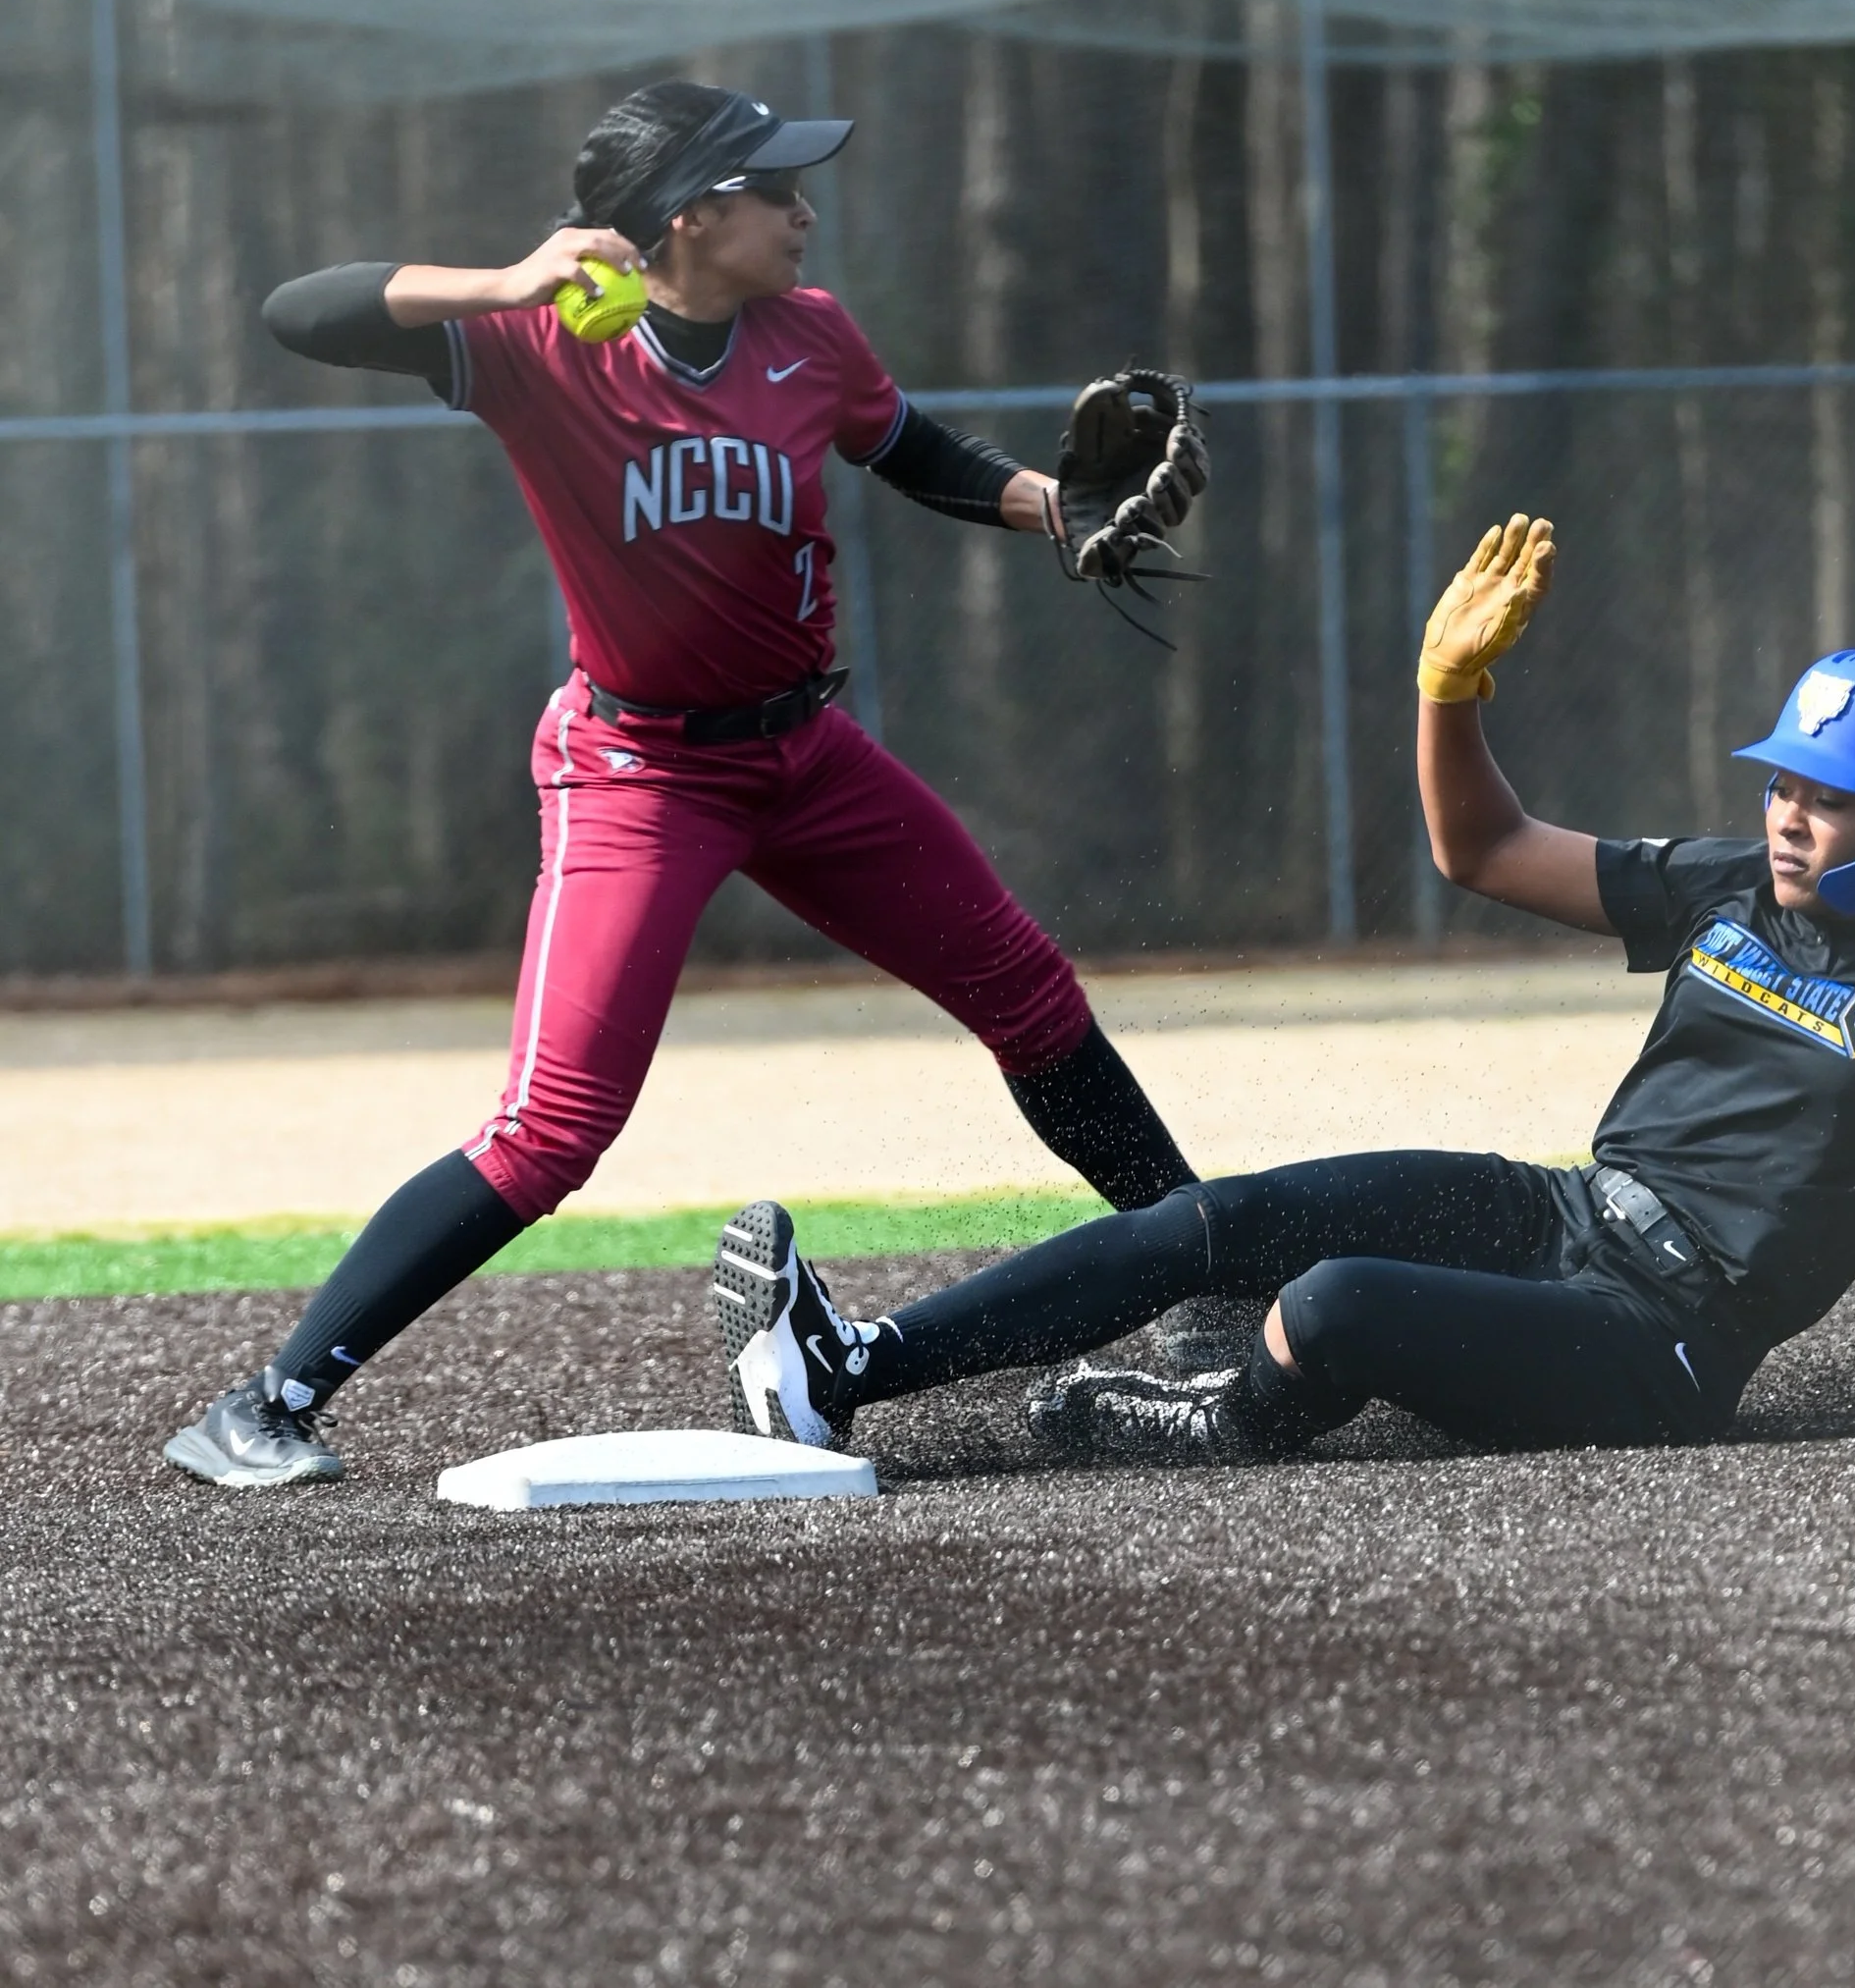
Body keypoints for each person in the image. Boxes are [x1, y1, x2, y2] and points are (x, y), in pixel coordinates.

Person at [703, 513, 1855, 1465]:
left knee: (1334, 1302)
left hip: (1669, 1343)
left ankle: (1217, 1420)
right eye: (1782, 778)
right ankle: (851, 1365)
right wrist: (1450, 689)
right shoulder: (1725, 880)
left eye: (1825, 794)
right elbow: (1481, 846)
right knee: (1230, 1218)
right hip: (1571, 1215)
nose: (1784, 809)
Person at [166, 80, 1204, 1489]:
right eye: (776, 191)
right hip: (639, 766)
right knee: (553, 1132)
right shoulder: (542, 344)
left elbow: (911, 451)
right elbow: (302, 308)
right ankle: (267, 1399)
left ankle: (1203, 1265)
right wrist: (512, 273)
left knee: (1026, 990)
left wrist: (1048, 504)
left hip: (804, 754)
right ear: (693, 216)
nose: (805, 212)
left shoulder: (809, 334)